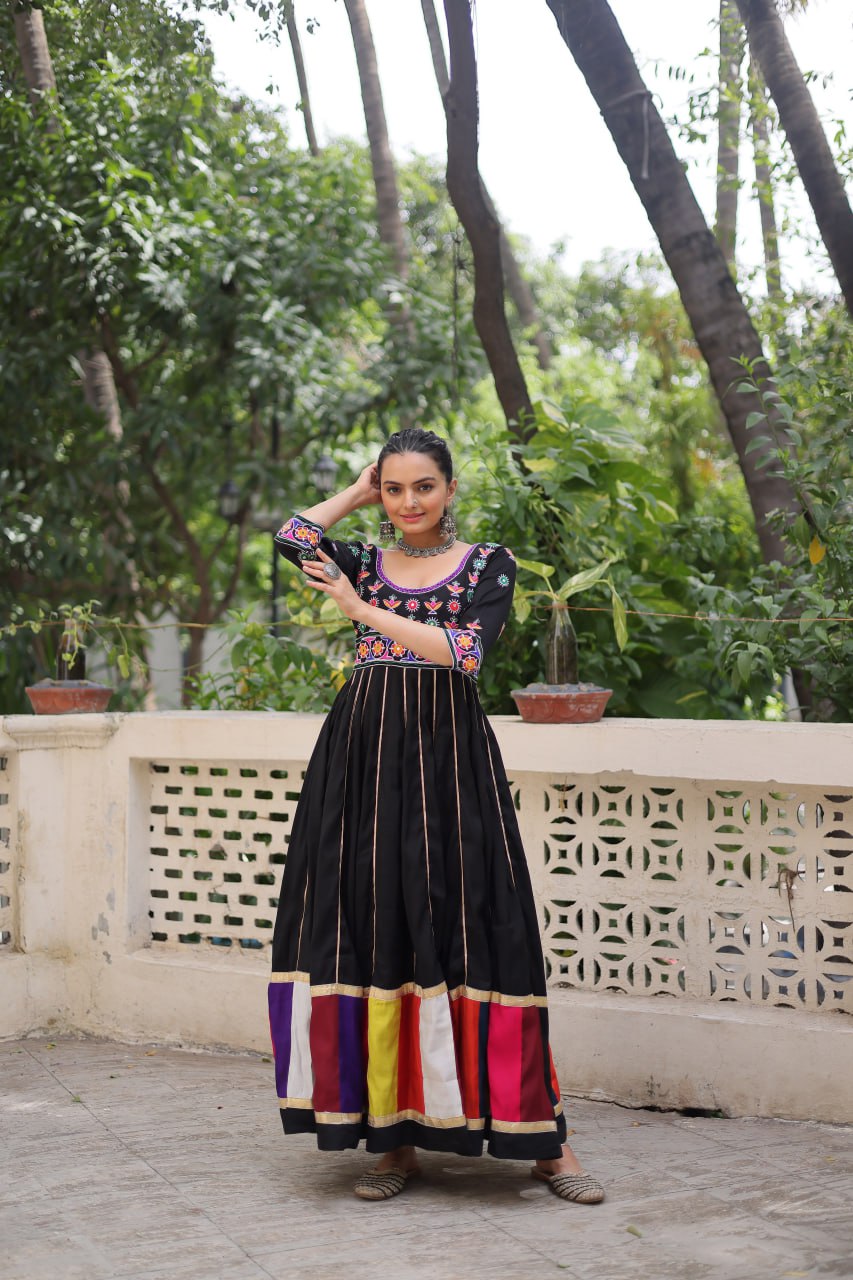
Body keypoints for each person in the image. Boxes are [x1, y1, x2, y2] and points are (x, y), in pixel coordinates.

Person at [268, 427, 604, 1205]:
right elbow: (291, 536)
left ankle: (546, 1144)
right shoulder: (361, 557)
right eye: (393, 489)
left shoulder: (488, 563)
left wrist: (359, 609)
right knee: (374, 928)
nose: (408, 502)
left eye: (423, 486)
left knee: (481, 927)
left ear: (450, 488)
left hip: (448, 765)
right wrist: (356, 491)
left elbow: (464, 651)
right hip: (362, 761)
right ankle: (394, 1139)